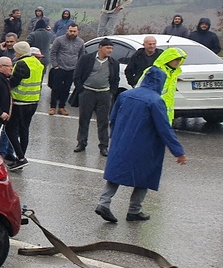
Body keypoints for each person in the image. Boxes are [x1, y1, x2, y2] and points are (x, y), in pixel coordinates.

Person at [93, 68, 186, 224]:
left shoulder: (125, 95)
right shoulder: (155, 100)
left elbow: (113, 117)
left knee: (116, 173)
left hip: (121, 141)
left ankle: (104, 203)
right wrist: (178, 152)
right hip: (145, 145)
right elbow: (164, 128)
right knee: (145, 176)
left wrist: (114, 137)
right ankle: (134, 210)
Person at [70, 38, 120, 156]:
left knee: (103, 121)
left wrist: (111, 92)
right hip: (87, 93)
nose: (110, 51)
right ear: (100, 47)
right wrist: (81, 89)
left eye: (111, 48)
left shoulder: (113, 63)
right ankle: (81, 143)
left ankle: (103, 146)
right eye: (108, 48)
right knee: (84, 119)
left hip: (104, 94)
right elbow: (77, 75)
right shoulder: (86, 59)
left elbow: (115, 79)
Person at [5, 41, 44, 171]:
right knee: (24, 129)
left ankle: (21, 158)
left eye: (16, 51)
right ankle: (20, 158)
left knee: (10, 130)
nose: (14, 53)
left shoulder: (21, 64)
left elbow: (13, 82)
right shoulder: (37, 63)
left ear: (20, 52)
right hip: (33, 101)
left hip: (20, 102)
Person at [48, 23, 84, 116]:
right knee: (56, 88)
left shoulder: (81, 42)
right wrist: (55, 65)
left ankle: (61, 107)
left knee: (66, 89)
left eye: (74, 31)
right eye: (71, 31)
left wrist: (78, 68)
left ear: (77, 31)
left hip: (72, 69)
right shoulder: (59, 40)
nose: (72, 33)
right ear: (67, 30)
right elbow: (52, 53)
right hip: (59, 68)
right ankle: (52, 107)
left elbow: (81, 56)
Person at [144, 47, 187, 123]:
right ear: (168, 59)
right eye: (176, 59)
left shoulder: (173, 73)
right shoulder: (153, 71)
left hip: (166, 112)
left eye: (180, 59)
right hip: (153, 109)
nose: (178, 62)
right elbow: (140, 90)